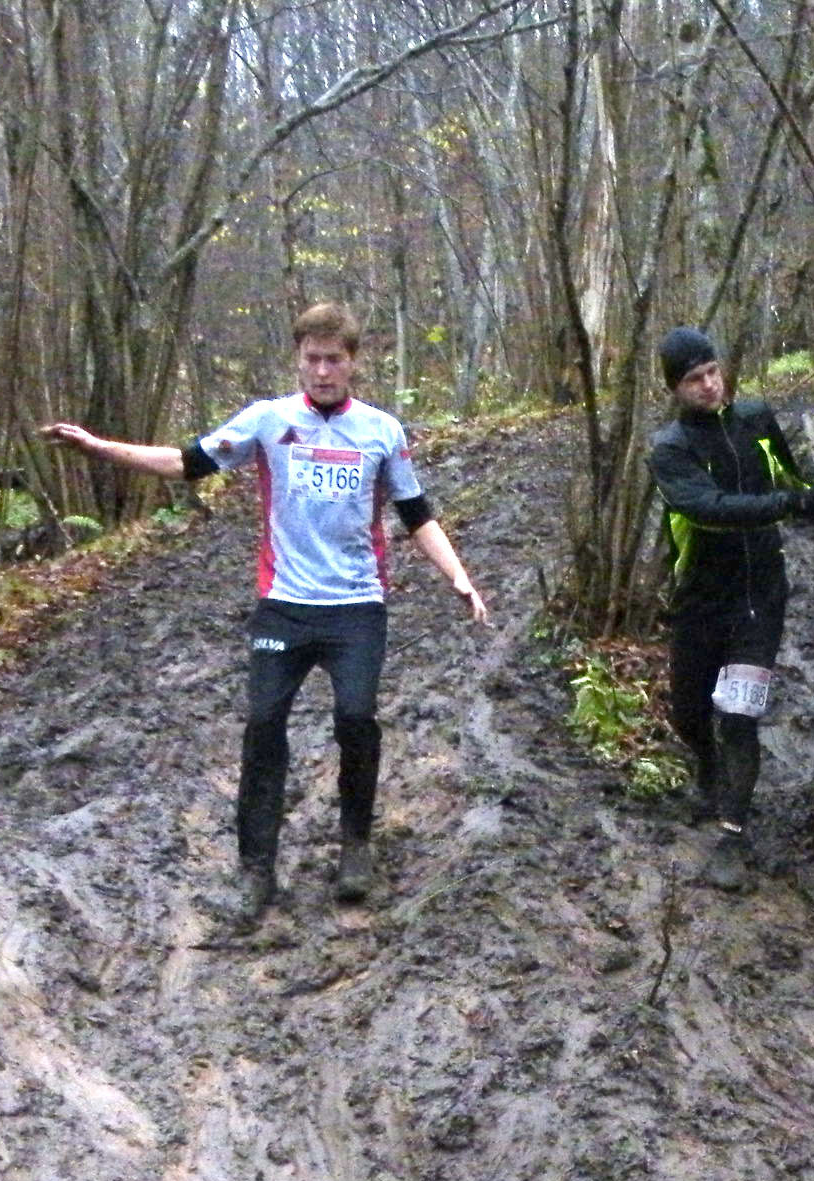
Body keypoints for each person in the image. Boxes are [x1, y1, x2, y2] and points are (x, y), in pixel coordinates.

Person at [42, 301, 488, 926]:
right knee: (263, 724)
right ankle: (256, 869)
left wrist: (459, 576)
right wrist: (99, 448)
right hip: (283, 606)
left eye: (334, 360)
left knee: (356, 719)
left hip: (356, 605)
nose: (323, 371)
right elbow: (185, 463)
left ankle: (355, 846)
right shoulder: (267, 420)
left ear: (353, 362)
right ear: (298, 359)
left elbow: (417, 515)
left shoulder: (382, 431)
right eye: (313, 359)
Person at [646, 327, 814, 891]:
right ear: (675, 389)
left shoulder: (756, 419)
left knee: (739, 715)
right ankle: (709, 776)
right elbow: (711, 510)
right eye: (694, 380)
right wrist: (797, 503)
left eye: (713, 372)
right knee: (689, 714)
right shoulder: (670, 449)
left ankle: (732, 836)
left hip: (760, 597)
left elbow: (794, 476)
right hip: (701, 599)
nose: (709, 385)